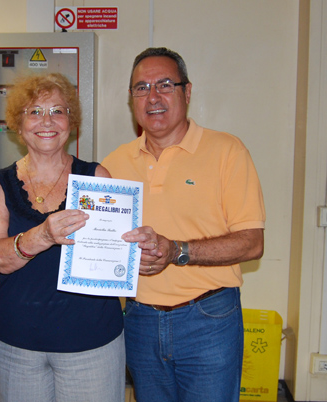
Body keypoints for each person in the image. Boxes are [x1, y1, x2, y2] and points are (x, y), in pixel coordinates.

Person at [102, 47, 265, 402]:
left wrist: (178, 250)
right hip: (139, 320)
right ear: (131, 99)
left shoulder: (227, 151)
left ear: (187, 92)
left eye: (165, 84)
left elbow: (252, 242)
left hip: (209, 319)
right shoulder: (113, 164)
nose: (153, 97)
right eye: (142, 88)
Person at [0, 73, 125, 402]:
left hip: (91, 343)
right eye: (34, 112)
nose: (46, 121)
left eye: (57, 111)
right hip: (17, 344)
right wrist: (43, 235)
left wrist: (133, 247)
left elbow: (113, 252)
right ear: (18, 124)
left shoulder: (97, 176)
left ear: (71, 122)